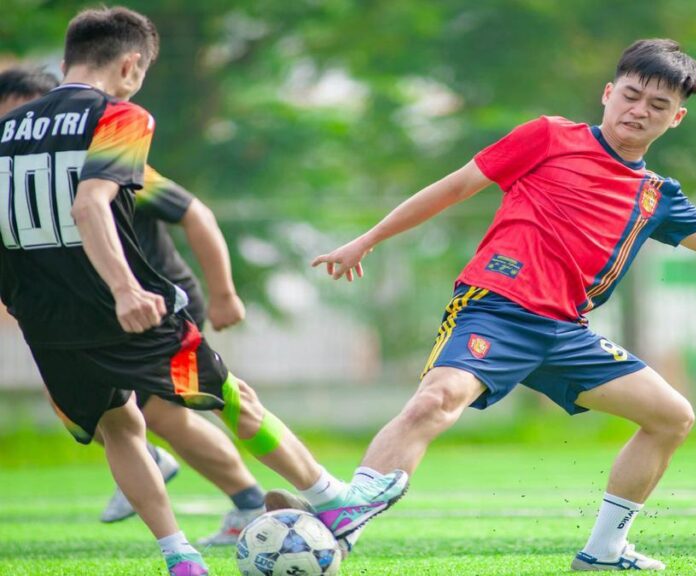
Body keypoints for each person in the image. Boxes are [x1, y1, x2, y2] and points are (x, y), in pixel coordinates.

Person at [273, 38, 696, 571]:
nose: (639, 111)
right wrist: (368, 238)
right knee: (437, 398)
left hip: (564, 332)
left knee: (673, 416)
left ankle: (605, 551)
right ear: (609, 93)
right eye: (631, 96)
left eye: (657, 106)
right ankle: (337, 523)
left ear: (676, 118)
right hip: (495, 306)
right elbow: (456, 186)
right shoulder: (547, 136)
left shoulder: (656, 195)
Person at [0, 8, 406, 574]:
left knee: (121, 427)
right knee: (233, 397)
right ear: (131, 65)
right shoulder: (119, 115)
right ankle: (335, 502)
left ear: (67, 57)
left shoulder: (5, 130)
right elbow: (89, 203)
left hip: (44, 321)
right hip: (126, 313)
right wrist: (123, 289)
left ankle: (180, 557)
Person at [0, 66, 264, 545]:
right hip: (92, 312)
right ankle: (226, 490)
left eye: (17, 114)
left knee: (163, 414)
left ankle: (265, 499)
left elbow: (196, 213)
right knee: (97, 409)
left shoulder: (114, 156)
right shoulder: (13, 173)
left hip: (157, 303)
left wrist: (224, 292)